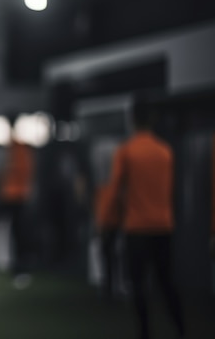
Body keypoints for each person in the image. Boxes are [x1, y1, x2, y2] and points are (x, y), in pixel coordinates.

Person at [96, 100, 185, 339]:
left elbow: (115, 192)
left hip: (136, 228)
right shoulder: (165, 151)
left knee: (138, 287)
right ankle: (181, 330)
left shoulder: (126, 151)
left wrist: (105, 222)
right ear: (153, 118)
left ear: (132, 119)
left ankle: (145, 334)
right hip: (164, 226)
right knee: (167, 283)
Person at [0, 138, 34, 282]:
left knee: (18, 234)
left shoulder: (18, 151)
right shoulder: (17, 151)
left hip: (16, 198)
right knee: (13, 233)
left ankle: (19, 267)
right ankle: (9, 264)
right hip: (12, 197)